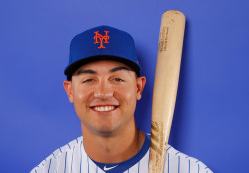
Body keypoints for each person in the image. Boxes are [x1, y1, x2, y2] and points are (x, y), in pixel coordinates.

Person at [31, 25, 212, 173]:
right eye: (89, 79)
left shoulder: (190, 170)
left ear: (138, 87)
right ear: (70, 91)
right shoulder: (49, 169)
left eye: (117, 79)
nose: (103, 93)